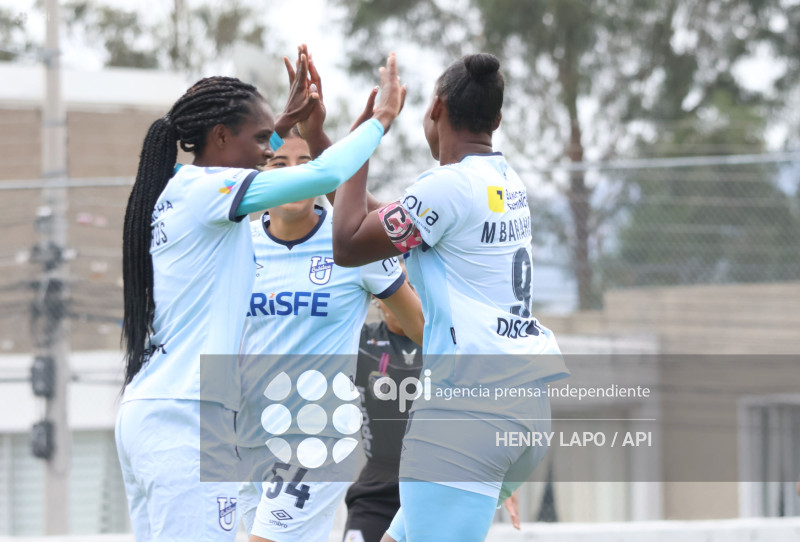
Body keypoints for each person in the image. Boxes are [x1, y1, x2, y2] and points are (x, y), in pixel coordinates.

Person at [116, 47, 404, 542]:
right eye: (259, 141)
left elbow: (282, 162)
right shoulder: (211, 191)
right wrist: (378, 121)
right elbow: (322, 176)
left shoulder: (178, 192)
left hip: (156, 414)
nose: (267, 154)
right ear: (220, 137)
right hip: (187, 422)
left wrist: (285, 119)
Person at [332, 53, 569, 541]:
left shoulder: (447, 186)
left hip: (465, 412)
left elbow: (349, 243)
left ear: (435, 108)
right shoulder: (505, 181)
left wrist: (367, 134)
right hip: (526, 409)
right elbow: (387, 224)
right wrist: (337, 157)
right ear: (497, 120)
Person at [234, 128, 423, 542]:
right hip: (243, 437)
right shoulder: (235, 246)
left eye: (307, 164)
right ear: (260, 173)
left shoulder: (351, 241)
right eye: (279, 164)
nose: (294, 174)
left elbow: (423, 329)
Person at [344, 291, 522, 542]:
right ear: (376, 297)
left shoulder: (447, 343)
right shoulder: (360, 342)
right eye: (394, 286)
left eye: (410, 286)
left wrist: (500, 471)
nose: (401, 294)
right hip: (377, 489)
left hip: (433, 483)